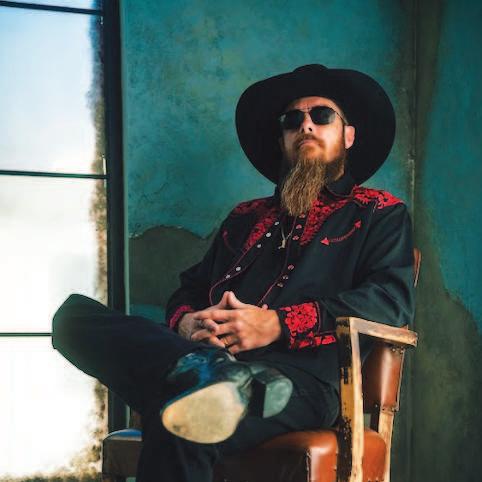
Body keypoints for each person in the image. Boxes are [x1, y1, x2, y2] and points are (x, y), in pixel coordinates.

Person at [52, 64, 415, 482]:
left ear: (348, 136)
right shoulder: (244, 217)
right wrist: (187, 322)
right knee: (73, 319)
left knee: (185, 416)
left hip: (299, 382)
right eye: (292, 120)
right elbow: (189, 290)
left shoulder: (379, 212)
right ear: (282, 139)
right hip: (210, 360)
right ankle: (203, 369)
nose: (306, 126)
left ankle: (205, 377)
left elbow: (390, 301)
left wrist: (276, 324)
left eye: (322, 116)